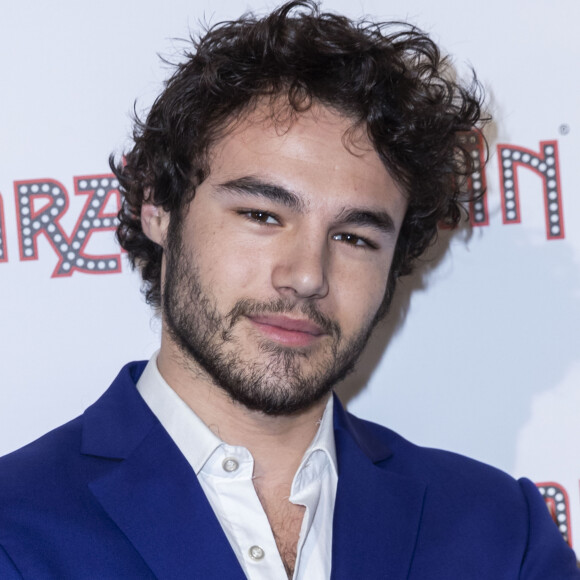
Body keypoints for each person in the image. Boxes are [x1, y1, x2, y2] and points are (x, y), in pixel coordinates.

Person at [1, 1, 578, 578]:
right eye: (262, 215)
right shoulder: (17, 527)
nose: (307, 276)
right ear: (159, 207)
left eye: (353, 237)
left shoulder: (501, 532)